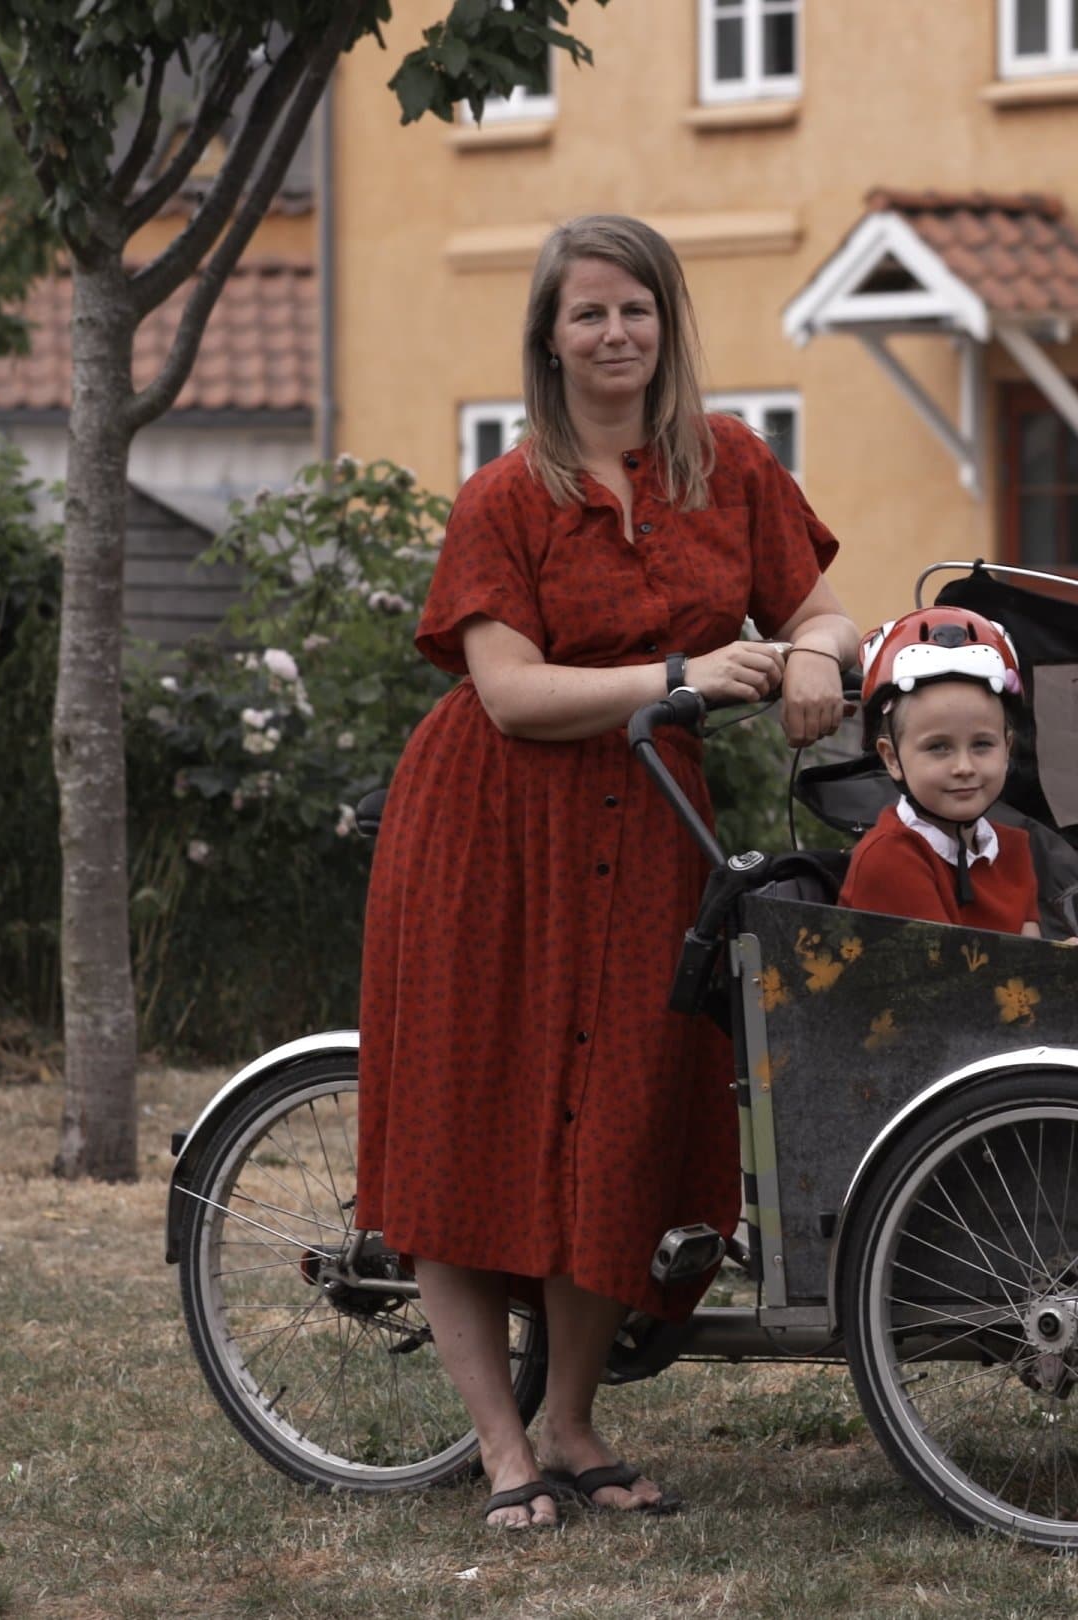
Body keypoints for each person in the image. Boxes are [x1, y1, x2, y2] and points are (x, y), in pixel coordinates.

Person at [356, 215, 859, 1532]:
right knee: (475, 1120)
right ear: (550, 337)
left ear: (666, 323)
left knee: (624, 1121)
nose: (615, 334)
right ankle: (503, 1447)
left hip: (646, 829)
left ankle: (574, 1423)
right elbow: (511, 693)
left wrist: (812, 654)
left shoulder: (731, 466)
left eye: (634, 309)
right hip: (488, 829)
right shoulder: (507, 496)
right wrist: (683, 677)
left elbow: (817, 608)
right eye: (588, 314)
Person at [838, 607, 1078, 960]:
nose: (964, 767)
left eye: (982, 745)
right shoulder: (889, 858)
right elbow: (941, 988)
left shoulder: (1011, 848)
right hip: (944, 1006)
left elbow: (1026, 954)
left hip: (1004, 1000)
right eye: (938, 747)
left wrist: (1070, 953)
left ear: (1007, 748)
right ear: (892, 758)